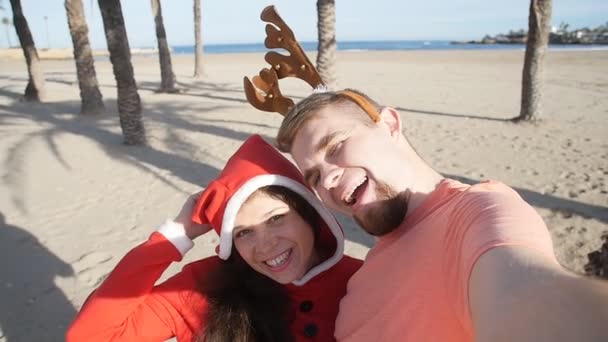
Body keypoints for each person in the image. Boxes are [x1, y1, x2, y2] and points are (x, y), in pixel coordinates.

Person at [276, 89, 608, 342]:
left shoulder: (478, 213)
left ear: (390, 124)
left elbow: (527, 294)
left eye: (335, 147)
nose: (329, 179)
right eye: (315, 177)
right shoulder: (365, 270)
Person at [66, 135, 362, 342]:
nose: (266, 245)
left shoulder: (363, 279)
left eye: (275, 218)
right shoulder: (205, 287)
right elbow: (91, 337)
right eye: (244, 232)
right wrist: (174, 237)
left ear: (309, 214)